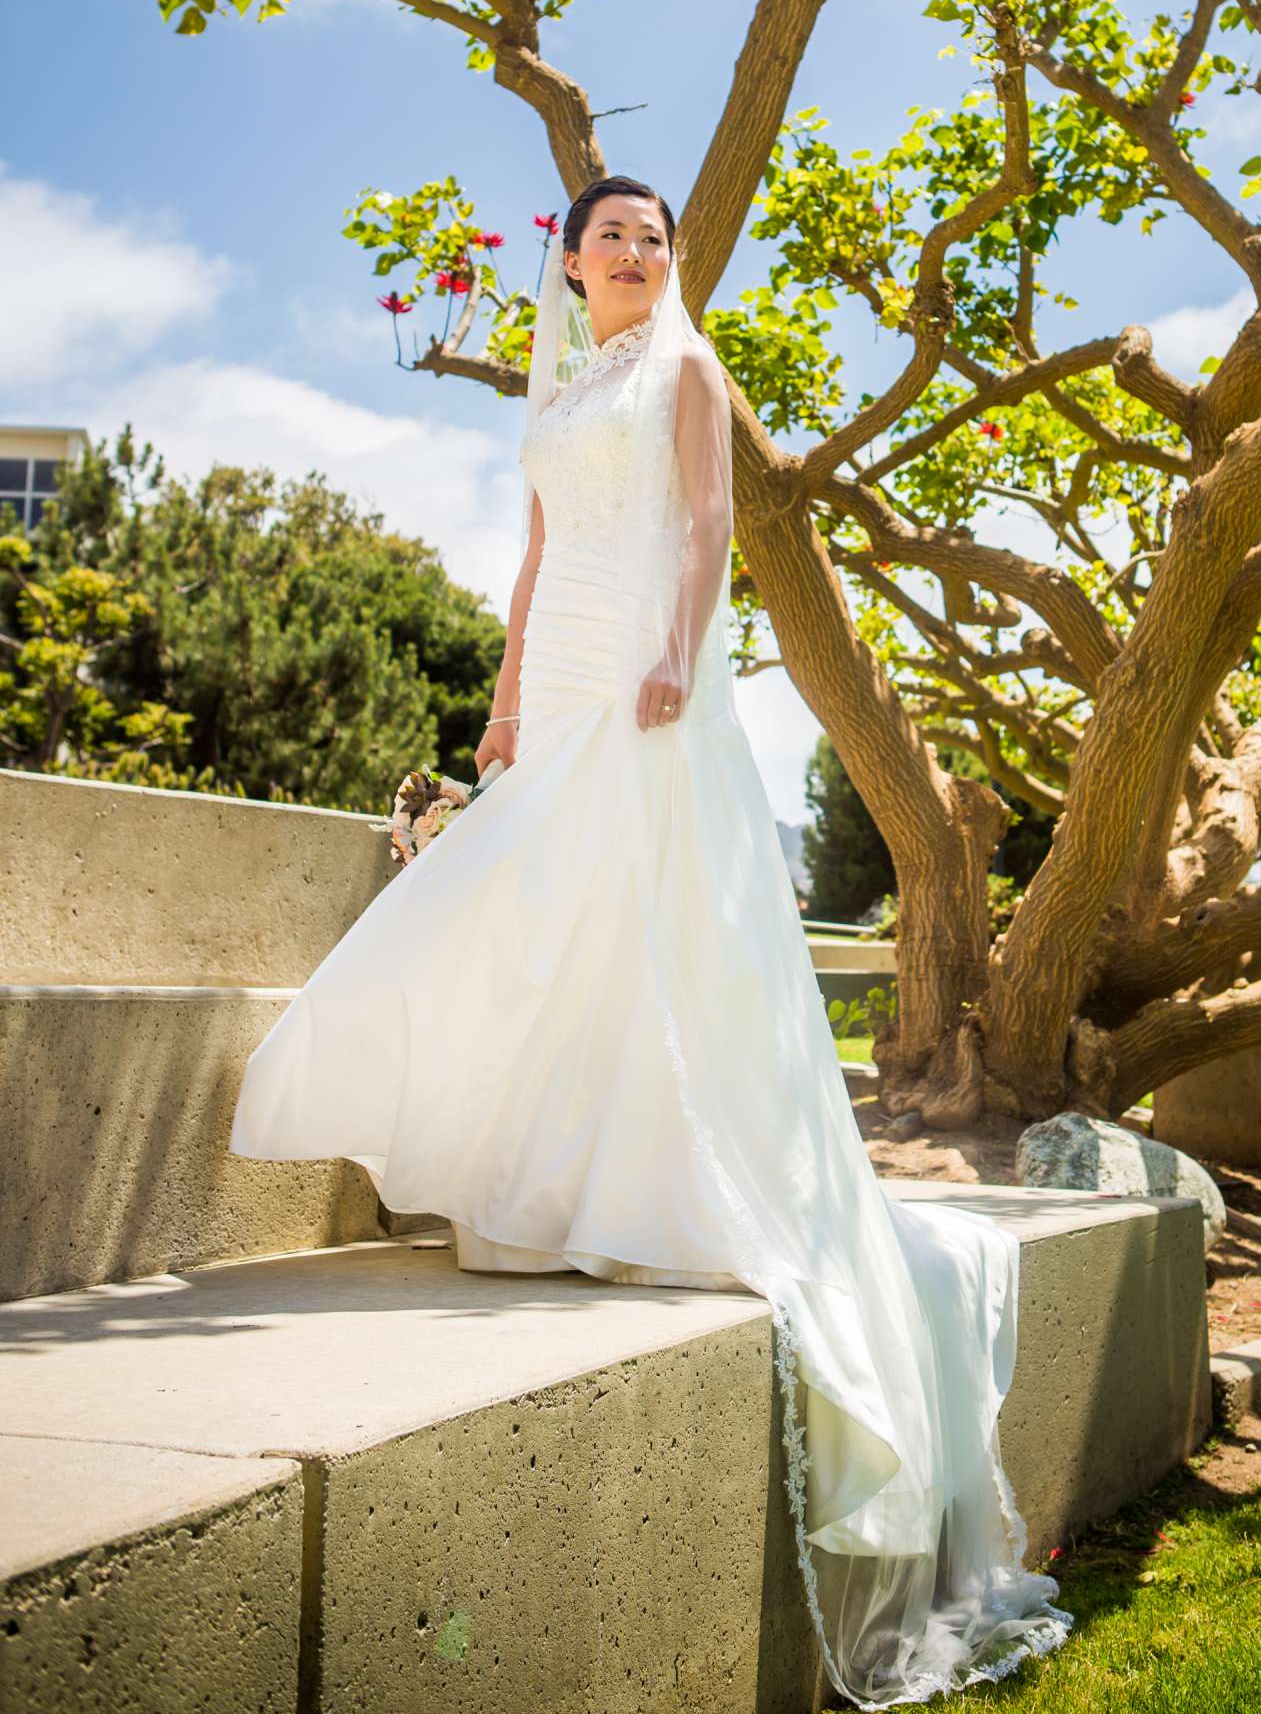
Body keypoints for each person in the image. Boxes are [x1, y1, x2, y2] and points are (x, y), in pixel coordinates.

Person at [229, 175, 1074, 1707]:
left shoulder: (686, 366)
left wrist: (682, 662)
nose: (633, 253)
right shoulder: (558, 385)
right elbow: (542, 556)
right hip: (556, 673)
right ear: (566, 260)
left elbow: (709, 522)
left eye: (653, 238)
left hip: (647, 673)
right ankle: (540, 1196)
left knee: (637, 918)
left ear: (667, 266)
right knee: (542, 917)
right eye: (609, 235)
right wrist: (500, 697)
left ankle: (652, 1193)